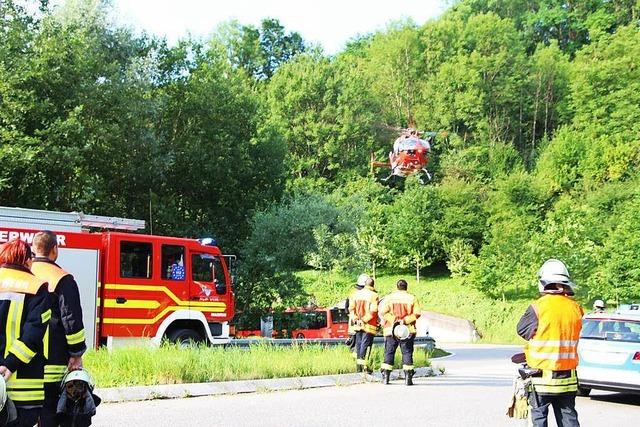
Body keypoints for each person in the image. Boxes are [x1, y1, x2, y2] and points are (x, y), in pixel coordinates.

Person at [517, 259, 583, 427]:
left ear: (543, 282)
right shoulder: (576, 308)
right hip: (567, 379)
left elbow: (522, 330)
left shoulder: (538, 307)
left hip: (541, 379)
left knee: (539, 420)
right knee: (569, 420)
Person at [30, 231, 87, 427]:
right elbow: (71, 320)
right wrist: (76, 353)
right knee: (50, 414)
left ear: (34, 249)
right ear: (55, 250)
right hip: (51, 363)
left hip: (20, 366)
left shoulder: (24, 274)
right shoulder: (62, 279)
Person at [0, 239, 50, 427]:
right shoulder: (36, 286)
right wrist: (9, 365)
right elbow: (34, 334)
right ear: (27, 260)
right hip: (24, 388)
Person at [379, 279, 421, 386]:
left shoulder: (389, 298)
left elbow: (383, 312)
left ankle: (386, 377)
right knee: (407, 352)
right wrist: (405, 321)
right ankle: (408, 378)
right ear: (406, 287)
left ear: (397, 287)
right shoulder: (412, 298)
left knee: (389, 352)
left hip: (391, 330)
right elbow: (417, 314)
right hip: (407, 331)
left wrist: (394, 320)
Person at [349, 277, 379, 373]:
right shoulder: (374, 295)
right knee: (366, 346)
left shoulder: (355, 294)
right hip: (368, 326)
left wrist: (356, 319)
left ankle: (358, 368)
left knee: (359, 345)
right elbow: (373, 311)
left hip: (357, 325)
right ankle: (364, 368)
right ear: (373, 285)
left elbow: (351, 309)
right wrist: (363, 320)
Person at [346, 274, 368, 358]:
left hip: (353, 323)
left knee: (354, 344)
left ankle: (355, 361)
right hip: (365, 325)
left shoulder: (352, 295)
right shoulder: (370, 295)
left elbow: (347, 309)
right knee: (363, 344)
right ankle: (360, 360)